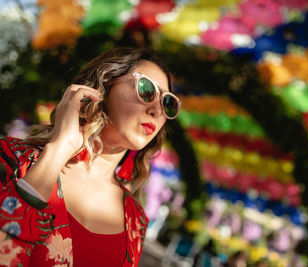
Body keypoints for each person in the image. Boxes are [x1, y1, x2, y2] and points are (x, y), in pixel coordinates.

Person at [0, 47, 181, 267]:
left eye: (167, 103)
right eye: (146, 89)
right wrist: (59, 149)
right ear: (106, 85)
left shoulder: (135, 220)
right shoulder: (12, 160)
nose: (157, 110)